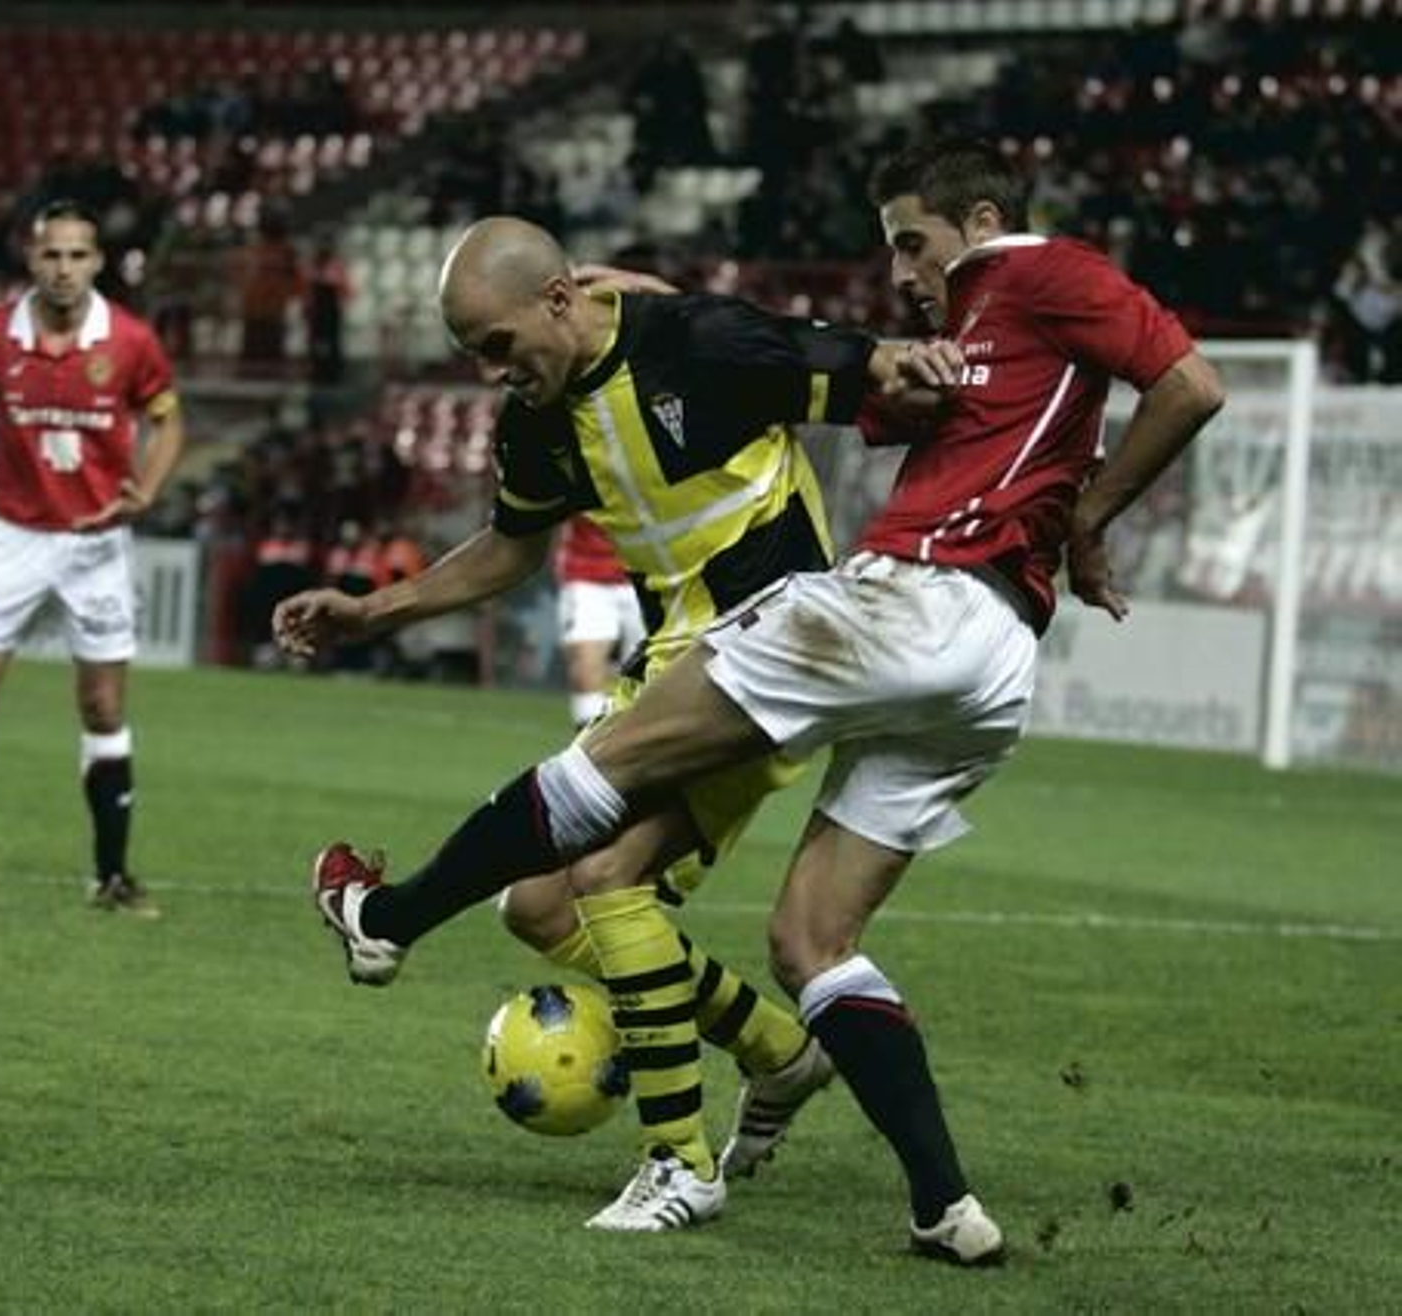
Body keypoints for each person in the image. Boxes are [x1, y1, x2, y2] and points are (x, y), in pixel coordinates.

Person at [286, 139, 1227, 1263]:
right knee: (803, 938)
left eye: (911, 245)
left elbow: (1181, 379)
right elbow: (833, 372)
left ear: (979, 219)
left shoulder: (1036, 275)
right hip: (987, 658)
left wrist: (1084, 511)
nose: (902, 272)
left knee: (593, 820)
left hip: (899, 603)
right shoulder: (970, 335)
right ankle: (940, 1203)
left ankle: (402, 937)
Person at [274, 215, 954, 1232]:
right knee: (540, 906)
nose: (495, 373)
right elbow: (509, 550)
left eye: (500, 346)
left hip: (776, 655)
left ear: (557, 299)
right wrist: (373, 610)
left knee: (606, 875)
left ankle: (679, 1161)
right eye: (474, 358)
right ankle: (778, 1048)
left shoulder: (702, 345)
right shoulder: (539, 419)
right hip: (676, 661)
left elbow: (879, 373)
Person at [0, 199, 186, 917]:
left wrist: (143, 489)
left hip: (97, 545)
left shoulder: (133, 340)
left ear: (98, 263)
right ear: (32, 258)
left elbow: (169, 422)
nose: (64, 268)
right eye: (53, 254)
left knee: (104, 706)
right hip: (13, 535)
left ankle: (113, 876)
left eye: (79, 255)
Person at [553, 514, 646, 729]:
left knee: (649, 677)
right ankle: (588, 750)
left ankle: (630, 745)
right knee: (586, 669)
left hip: (645, 577)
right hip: (586, 577)